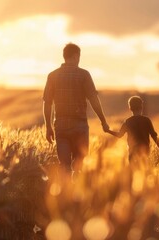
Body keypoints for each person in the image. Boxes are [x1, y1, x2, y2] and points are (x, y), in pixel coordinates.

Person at [43, 43, 109, 175]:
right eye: (79, 56)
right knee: (80, 166)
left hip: (61, 126)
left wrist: (48, 126)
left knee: (65, 166)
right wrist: (103, 121)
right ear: (75, 56)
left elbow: (47, 103)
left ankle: (66, 193)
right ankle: (77, 194)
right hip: (80, 126)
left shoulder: (52, 76)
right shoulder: (84, 75)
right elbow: (94, 100)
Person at [105, 96, 159, 164]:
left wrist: (108, 131)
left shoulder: (128, 121)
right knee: (143, 170)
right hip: (144, 151)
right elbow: (154, 135)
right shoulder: (147, 120)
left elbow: (119, 135)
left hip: (132, 151)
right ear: (141, 106)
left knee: (133, 171)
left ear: (130, 108)